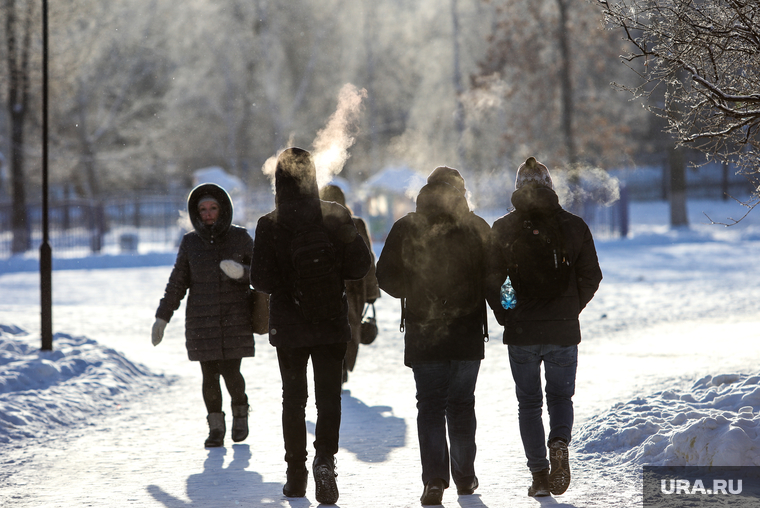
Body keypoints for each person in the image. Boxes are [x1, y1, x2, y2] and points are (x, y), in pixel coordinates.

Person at [250, 147, 371, 505]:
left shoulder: (268, 223)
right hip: (331, 322)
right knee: (329, 397)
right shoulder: (335, 214)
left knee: (294, 400)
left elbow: (261, 281)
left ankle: (295, 474)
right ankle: (325, 462)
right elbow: (359, 267)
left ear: (279, 181)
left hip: (289, 326)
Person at [486, 157, 602, 497]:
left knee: (529, 404)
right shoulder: (574, 225)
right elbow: (591, 276)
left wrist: (509, 311)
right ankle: (560, 442)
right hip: (562, 330)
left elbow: (494, 280)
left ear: (518, 187)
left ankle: (539, 476)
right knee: (561, 396)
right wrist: (569, 307)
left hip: (521, 332)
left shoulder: (503, 228)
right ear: (550, 186)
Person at [376, 166, 490, 506]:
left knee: (429, 407)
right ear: (460, 191)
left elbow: (385, 277)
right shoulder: (476, 227)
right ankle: (465, 476)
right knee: (461, 405)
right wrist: (505, 311)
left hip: (424, 331)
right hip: (468, 331)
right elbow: (496, 275)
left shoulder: (406, 227)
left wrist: (418, 290)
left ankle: (435, 481)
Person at [152, 183, 255, 448]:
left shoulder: (240, 238)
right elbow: (177, 282)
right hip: (202, 321)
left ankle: (240, 414)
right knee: (209, 376)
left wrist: (242, 272)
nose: (208, 214)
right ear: (195, 213)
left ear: (223, 209)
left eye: (213, 208)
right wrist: (162, 317)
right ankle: (216, 428)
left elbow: (264, 274)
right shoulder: (190, 243)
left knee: (232, 374)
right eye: (203, 209)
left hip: (235, 318)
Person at [319, 184, 380, 385]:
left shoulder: (318, 225)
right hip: (352, 289)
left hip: (335, 289)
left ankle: (338, 367)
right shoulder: (354, 224)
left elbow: (368, 260)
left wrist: (371, 292)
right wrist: (370, 293)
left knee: (334, 331)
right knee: (348, 331)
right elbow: (368, 261)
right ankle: (340, 367)